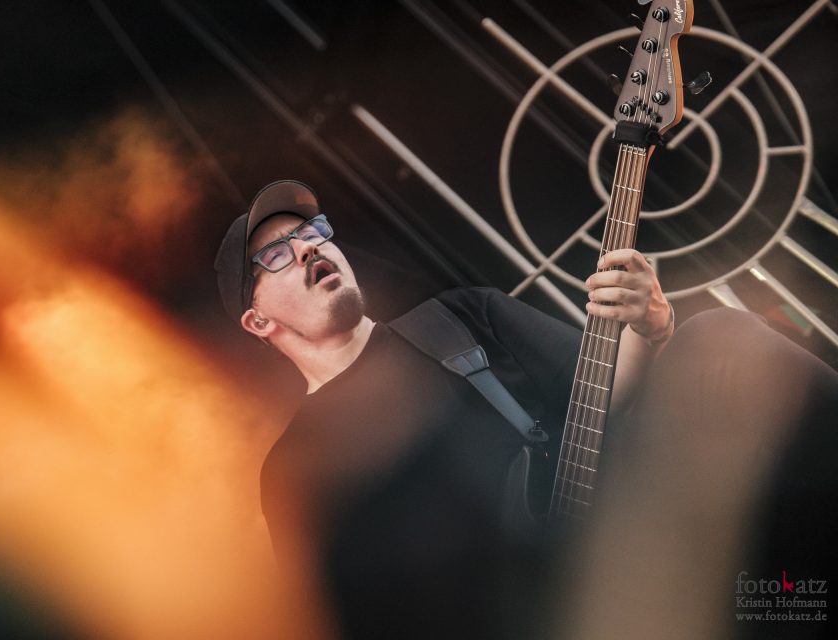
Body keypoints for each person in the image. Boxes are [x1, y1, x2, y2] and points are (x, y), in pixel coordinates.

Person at [215, 180, 838, 640]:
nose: (307, 249)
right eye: (276, 254)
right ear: (257, 321)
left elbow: (617, 396)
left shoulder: (461, 315)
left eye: (313, 232)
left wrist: (653, 324)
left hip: (631, 536)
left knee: (720, 335)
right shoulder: (298, 468)